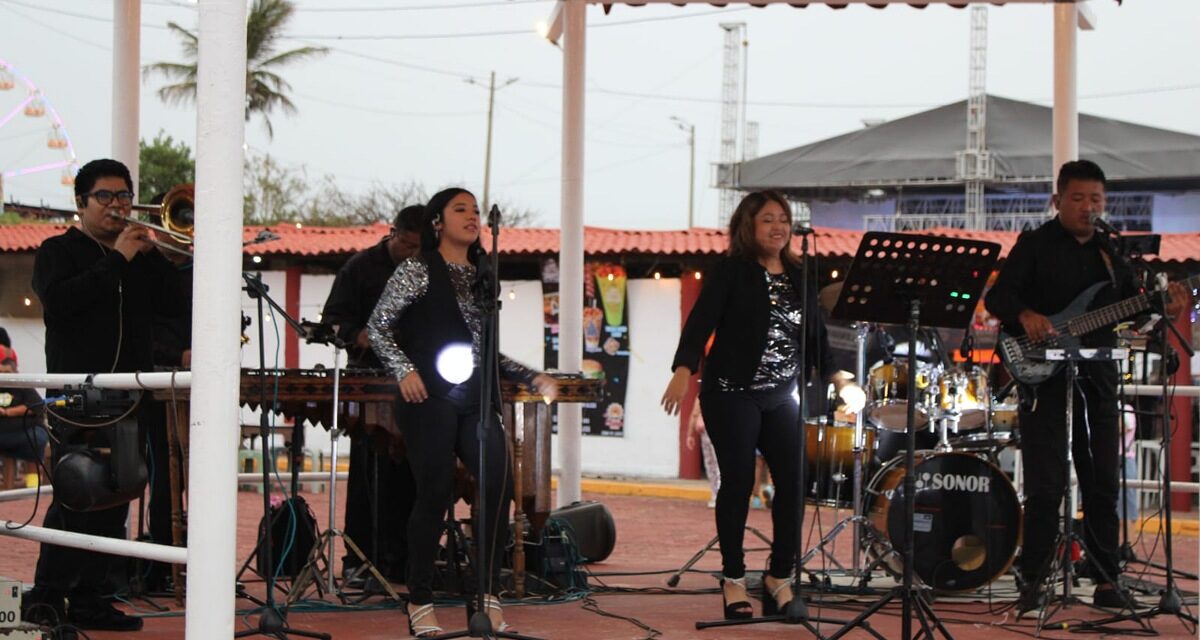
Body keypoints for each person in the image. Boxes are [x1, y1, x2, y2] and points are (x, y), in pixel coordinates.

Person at [984, 160, 1190, 613]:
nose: (1087, 207)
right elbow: (998, 297)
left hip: (1097, 375)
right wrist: (1026, 315)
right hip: (1043, 375)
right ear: (1057, 200)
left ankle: (1106, 578)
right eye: (1077, 198)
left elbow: (1134, 309)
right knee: (1046, 484)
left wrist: (1165, 306)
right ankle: (1033, 578)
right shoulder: (1034, 244)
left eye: (1095, 199)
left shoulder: (1112, 252)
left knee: (1103, 481)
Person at [660, 190, 861, 620]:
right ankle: (733, 577)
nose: (778, 227)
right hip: (731, 391)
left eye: (783, 219)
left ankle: (779, 577)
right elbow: (700, 324)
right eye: (768, 219)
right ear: (748, 226)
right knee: (738, 481)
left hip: (780, 394)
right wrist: (683, 370)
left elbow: (816, 336)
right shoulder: (731, 271)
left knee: (794, 480)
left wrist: (837, 377)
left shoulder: (801, 274)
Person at [367, 188, 558, 637]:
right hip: (428, 397)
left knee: (497, 486)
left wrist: (530, 375)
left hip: (477, 399)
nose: (472, 216)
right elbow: (378, 327)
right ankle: (419, 599)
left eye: (475, 210)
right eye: (461, 209)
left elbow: (485, 349)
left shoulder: (483, 276)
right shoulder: (417, 269)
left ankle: (488, 595)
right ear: (438, 221)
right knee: (434, 492)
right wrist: (404, 370)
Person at [23, 159, 182, 635]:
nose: (117, 206)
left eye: (124, 196)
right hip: (79, 395)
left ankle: (92, 597)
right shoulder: (57, 251)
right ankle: (47, 595)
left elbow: (176, 305)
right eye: (105, 197)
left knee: (119, 494)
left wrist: (155, 256)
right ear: (81, 203)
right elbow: (61, 303)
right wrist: (118, 259)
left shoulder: (139, 257)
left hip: (129, 394)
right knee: (77, 493)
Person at [321, 204, 424, 583]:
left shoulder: (430, 268)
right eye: (407, 245)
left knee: (414, 475)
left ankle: (407, 558)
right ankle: (360, 559)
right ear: (392, 233)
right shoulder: (360, 268)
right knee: (369, 475)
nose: (412, 254)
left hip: (417, 383)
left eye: (420, 247)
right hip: (369, 384)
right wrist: (357, 334)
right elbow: (331, 321)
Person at [0, 346, 48, 469]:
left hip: (26, 432)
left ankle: (32, 479)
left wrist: (6, 412)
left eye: (7, 372)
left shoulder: (23, 386)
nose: (4, 375)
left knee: (36, 440)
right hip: (4, 434)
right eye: (1, 372)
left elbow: (36, 406)